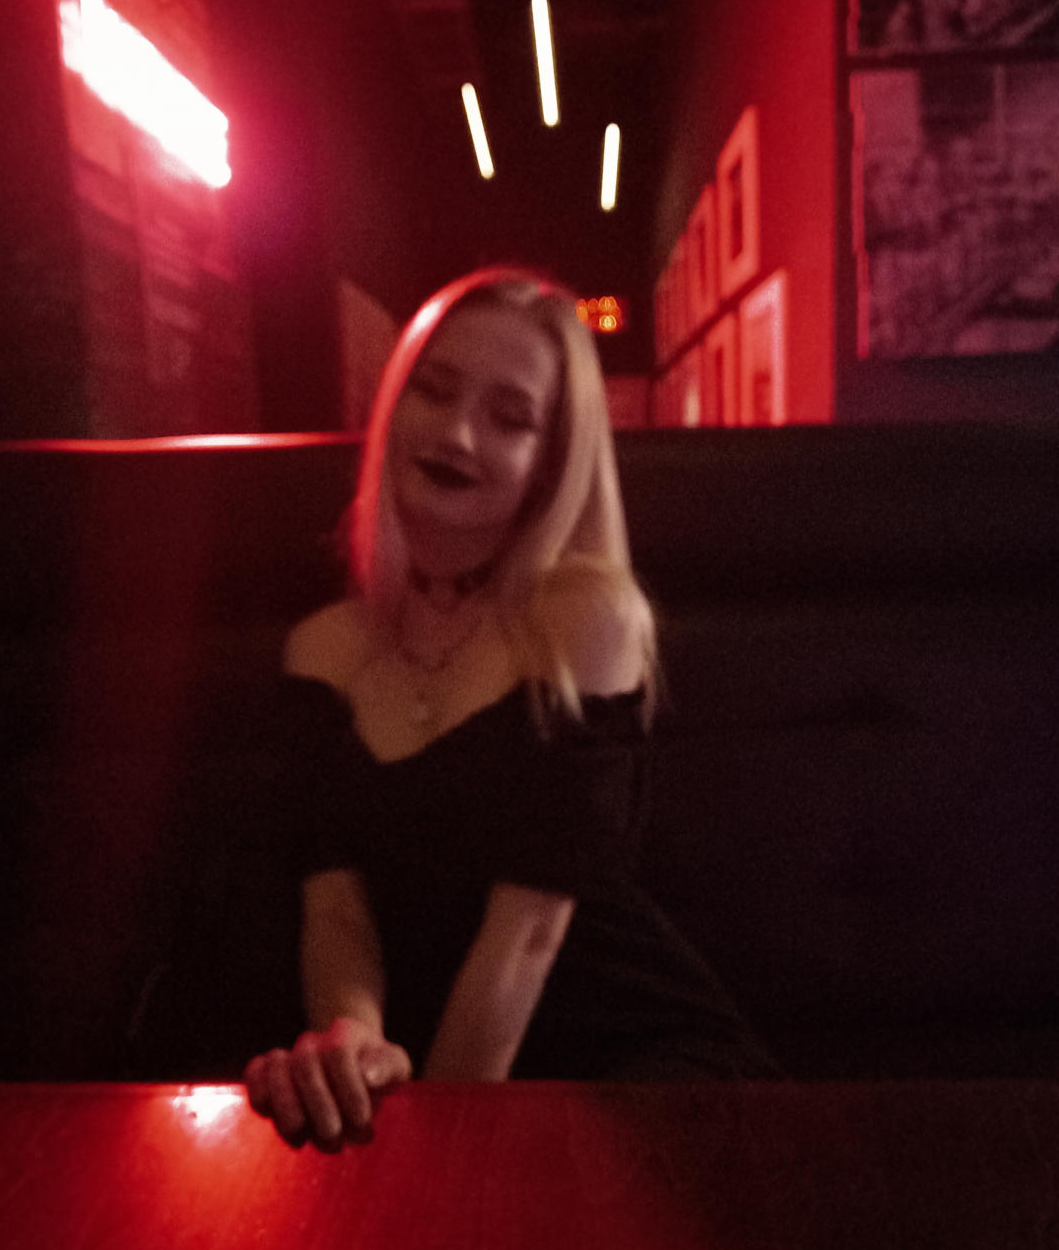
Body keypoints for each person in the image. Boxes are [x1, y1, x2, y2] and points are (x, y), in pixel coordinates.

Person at [244, 267, 776, 1151]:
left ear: (550, 464)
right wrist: (354, 1047)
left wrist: (440, 1153)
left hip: (622, 1060)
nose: (457, 433)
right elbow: (335, 908)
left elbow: (526, 939)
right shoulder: (322, 648)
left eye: (510, 417)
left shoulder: (587, 618)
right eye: (436, 390)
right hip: (429, 1060)